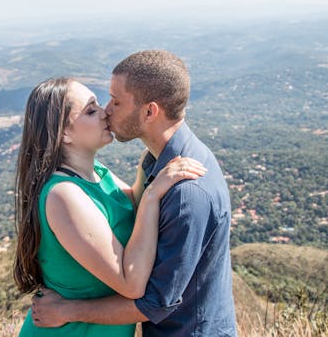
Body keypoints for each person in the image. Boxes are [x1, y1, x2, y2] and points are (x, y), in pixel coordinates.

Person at [32, 50, 238, 336]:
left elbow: (154, 302)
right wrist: (150, 182)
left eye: (116, 102)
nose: (107, 110)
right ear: (63, 133)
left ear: (150, 111)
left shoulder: (185, 191)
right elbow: (135, 204)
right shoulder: (159, 165)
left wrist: (69, 309)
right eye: (93, 109)